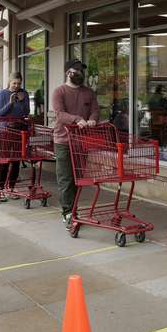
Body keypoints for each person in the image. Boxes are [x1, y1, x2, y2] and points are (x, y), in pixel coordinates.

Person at [52, 59, 99, 225]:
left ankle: (74, 209)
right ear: (68, 73)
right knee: (66, 179)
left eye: (82, 71)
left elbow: (94, 110)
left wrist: (93, 119)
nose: (80, 74)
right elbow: (60, 114)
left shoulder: (89, 92)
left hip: (82, 141)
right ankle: (67, 212)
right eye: (77, 71)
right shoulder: (59, 91)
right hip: (63, 141)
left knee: (78, 178)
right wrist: (78, 119)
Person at [0, 76, 31, 192]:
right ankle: (0, 188)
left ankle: (11, 187)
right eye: (14, 83)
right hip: (5, 131)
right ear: (9, 82)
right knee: (5, 161)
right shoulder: (1, 94)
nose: (16, 86)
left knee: (16, 161)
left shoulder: (23, 94)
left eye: (19, 83)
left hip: (19, 130)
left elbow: (26, 112)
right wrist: (10, 103)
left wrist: (20, 101)